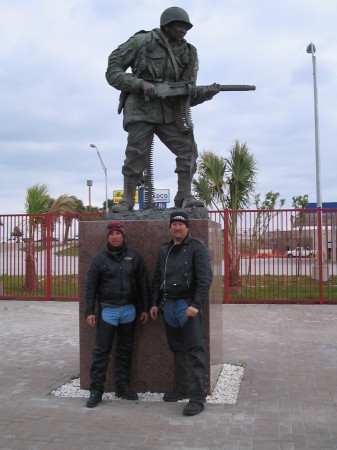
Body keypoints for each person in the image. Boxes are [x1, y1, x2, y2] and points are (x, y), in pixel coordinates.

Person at [105, 6, 219, 212]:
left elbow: (186, 93)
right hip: (141, 108)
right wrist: (139, 85)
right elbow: (112, 70)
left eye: (186, 27)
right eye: (179, 25)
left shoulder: (189, 53)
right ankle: (127, 199)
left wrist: (205, 93)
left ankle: (184, 196)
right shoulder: (143, 41)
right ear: (166, 25)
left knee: (188, 150)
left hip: (170, 112)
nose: (183, 30)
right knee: (136, 153)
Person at [150, 211, 212, 416]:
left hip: (187, 306)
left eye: (181, 224)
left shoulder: (197, 248)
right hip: (168, 306)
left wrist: (196, 304)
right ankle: (182, 387)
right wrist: (154, 303)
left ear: (187, 227)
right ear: (170, 227)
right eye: (174, 224)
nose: (177, 227)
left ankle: (197, 397)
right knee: (177, 350)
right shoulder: (164, 250)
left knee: (195, 351)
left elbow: (204, 278)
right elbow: (158, 277)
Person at [84, 221, 149, 408]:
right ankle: (96, 390)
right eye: (111, 233)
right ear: (107, 236)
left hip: (129, 310)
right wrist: (89, 311)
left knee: (125, 351)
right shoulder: (98, 259)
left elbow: (143, 284)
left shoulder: (134, 258)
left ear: (123, 236)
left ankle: (122, 387)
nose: (115, 237)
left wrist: (144, 308)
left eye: (118, 233)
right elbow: (90, 288)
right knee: (101, 352)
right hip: (107, 311)